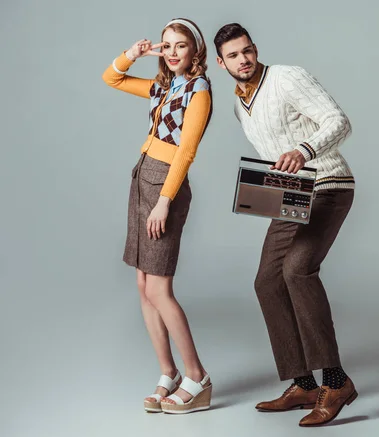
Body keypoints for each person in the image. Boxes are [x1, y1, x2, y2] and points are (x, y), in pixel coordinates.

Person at [214, 23, 358, 427]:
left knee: (297, 269)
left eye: (247, 51)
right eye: (233, 56)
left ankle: (336, 381)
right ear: (221, 63)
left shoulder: (287, 77)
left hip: (328, 185)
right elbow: (272, 154)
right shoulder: (238, 102)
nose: (243, 60)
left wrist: (304, 150)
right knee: (267, 281)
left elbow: (339, 121)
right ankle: (304, 384)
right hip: (291, 195)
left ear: (255, 49)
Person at [102, 18, 213, 414]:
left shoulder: (198, 90)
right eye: (166, 45)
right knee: (143, 286)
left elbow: (186, 150)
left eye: (180, 45)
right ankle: (168, 374)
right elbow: (111, 78)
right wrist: (133, 54)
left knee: (160, 290)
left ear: (194, 51)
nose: (171, 52)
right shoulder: (164, 86)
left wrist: (165, 200)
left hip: (164, 187)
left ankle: (196, 377)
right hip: (141, 179)